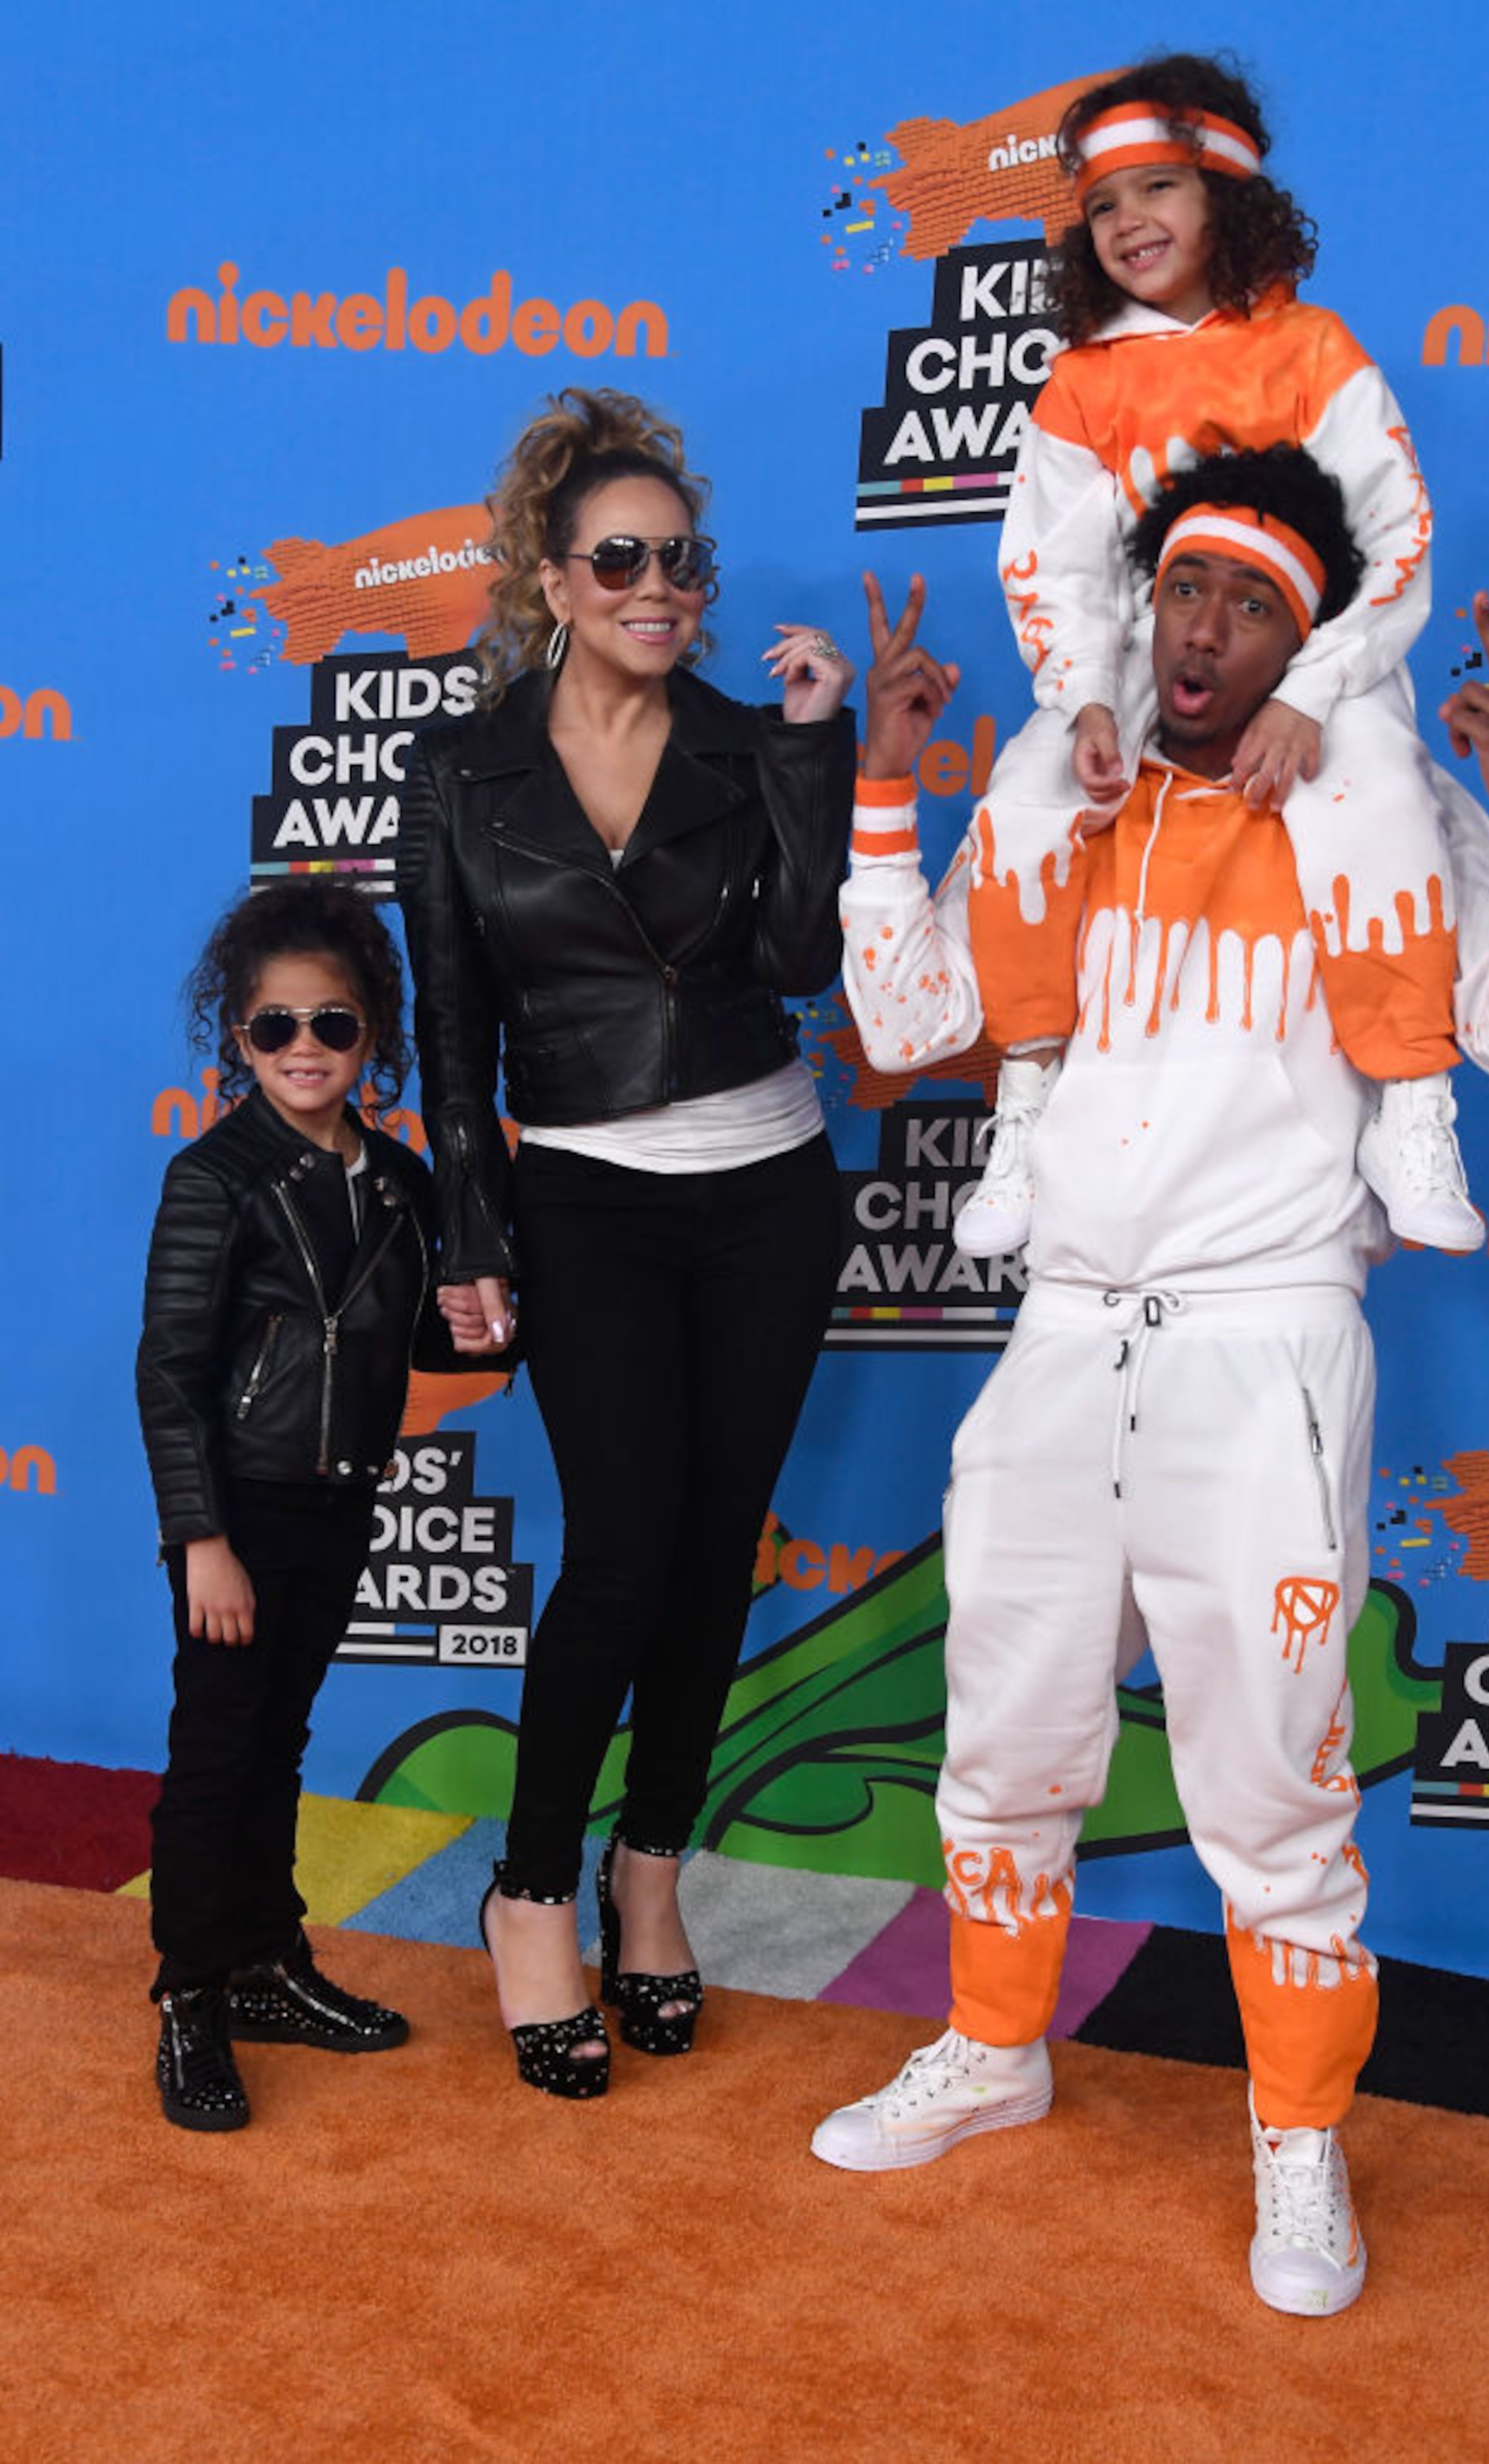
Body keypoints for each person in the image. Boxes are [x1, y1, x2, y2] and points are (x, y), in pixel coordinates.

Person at [811, 446, 1489, 2318]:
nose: (1207, 629)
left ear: (1308, 638)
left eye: (1254, 603)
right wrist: (886, 793)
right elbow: (909, 1021)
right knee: (1002, 1741)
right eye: (1185, 587)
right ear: (1142, 603)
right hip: (1065, 1335)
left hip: (1265, 1348)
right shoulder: (1065, 787)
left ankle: (1300, 2137)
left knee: (1272, 1788)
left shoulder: (1378, 803)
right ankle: (994, 2046)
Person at [398, 387, 855, 2099]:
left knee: (715, 1547)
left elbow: (802, 962)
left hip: (770, 1191)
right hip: (584, 1198)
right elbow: (451, 1030)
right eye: (621, 559)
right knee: (621, 1550)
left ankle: (649, 1874)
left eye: (682, 560)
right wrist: (469, 1228)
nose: (659, 586)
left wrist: (813, 750)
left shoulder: (747, 742)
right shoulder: (461, 772)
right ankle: (532, 1893)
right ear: (553, 577)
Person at [956, 52, 1481, 1263]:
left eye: (1158, 188)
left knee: (1379, 799)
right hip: (1149, 668)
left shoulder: (1310, 347)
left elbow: (1397, 537)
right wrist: (1085, 699)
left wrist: (1313, 692)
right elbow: (1056, 567)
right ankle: (1025, 1102)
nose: (1127, 222)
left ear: (1227, 197)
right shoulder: (1081, 382)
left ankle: (1412, 1104)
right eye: (1101, 203)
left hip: (1316, 660)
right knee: (1027, 803)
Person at [137, 881, 453, 2131]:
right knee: (217, 1755)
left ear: (373, 1031)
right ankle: (190, 1995)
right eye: (276, 1027)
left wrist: (497, 1317)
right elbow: (171, 1371)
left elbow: (421, 1338)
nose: (305, 1048)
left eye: (332, 1023)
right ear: (240, 1037)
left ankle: (268, 1962)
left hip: (340, 1501)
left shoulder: (402, 1183)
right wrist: (200, 1539)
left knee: (280, 1745)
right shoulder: (216, 1175)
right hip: (239, 1512)